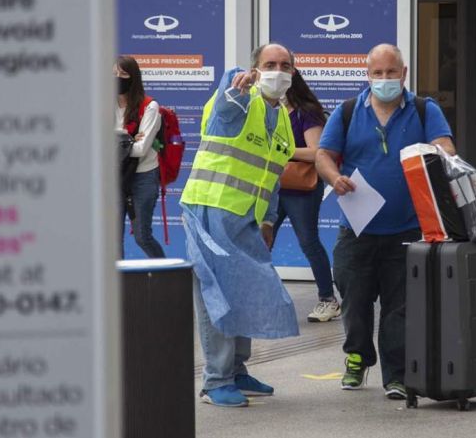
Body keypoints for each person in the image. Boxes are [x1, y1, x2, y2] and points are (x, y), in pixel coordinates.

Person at [315, 43, 455, 400]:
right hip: (357, 228)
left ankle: (396, 374)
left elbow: (446, 149)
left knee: (400, 306)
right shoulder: (347, 112)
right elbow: (323, 155)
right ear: (368, 75)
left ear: (404, 73)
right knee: (354, 298)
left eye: (391, 72)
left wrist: (434, 155)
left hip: (408, 228)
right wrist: (333, 178)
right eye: (377, 73)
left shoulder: (425, 110)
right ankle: (358, 357)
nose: (384, 79)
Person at [180, 43, 299, 408]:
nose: (277, 70)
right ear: (255, 69)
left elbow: (273, 175)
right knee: (217, 296)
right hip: (210, 211)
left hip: (246, 219)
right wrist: (234, 91)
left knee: (246, 291)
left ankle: (236, 369)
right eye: (269, 64)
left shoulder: (281, 119)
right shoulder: (239, 101)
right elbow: (225, 112)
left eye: (284, 65)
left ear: (293, 73)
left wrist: (267, 220)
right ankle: (216, 380)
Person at [271, 70, 340, 322]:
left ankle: (328, 299)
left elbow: (316, 152)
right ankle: (263, 297)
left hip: (301, 188)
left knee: (308, 241)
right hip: (273, 186)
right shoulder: (271, 110)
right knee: (261, 241)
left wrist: (282, 151)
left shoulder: (306, 111)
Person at [114, 56, 165, 259]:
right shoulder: (103, 105)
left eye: (123, 74)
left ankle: (165, 277)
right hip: (115, 178)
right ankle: (116, 287)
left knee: (142, 237)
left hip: (143, 176)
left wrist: (118, 141)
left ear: (133, 77)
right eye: (113, 73)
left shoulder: (150, 107)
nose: (117, 78)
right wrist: (128, 140)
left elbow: (142, 149)